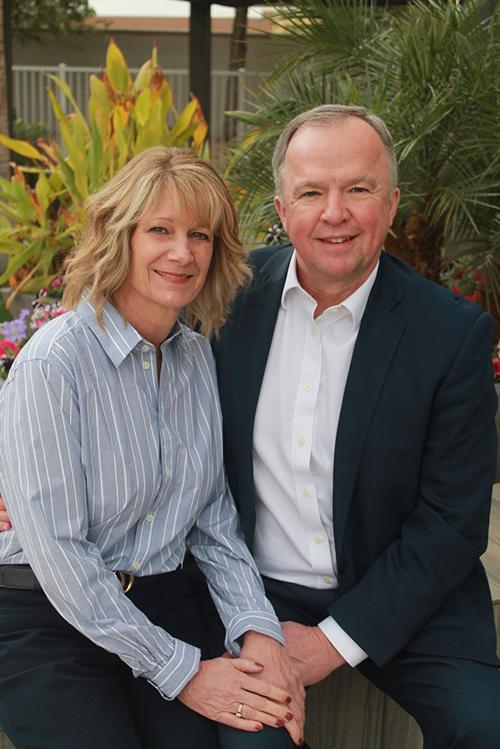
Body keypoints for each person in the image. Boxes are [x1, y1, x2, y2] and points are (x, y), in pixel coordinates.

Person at [210, 105, 500, 749]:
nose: (334, 213)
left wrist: (334, 643)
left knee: (485, 728)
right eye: (311, 192)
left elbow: (452, 522)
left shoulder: (451, 335)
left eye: (358, 189)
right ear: (282, 210)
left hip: (405, 592)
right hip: (253, 595)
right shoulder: (223, 300)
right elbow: (119, 358)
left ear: (391, 204)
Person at [0, 147, 305, 749]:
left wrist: (258, 630)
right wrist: (185, 671)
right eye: (159, 230)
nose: (182, 252)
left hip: (160, 599)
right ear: (119, 237)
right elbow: (60, 553)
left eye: (199, 234)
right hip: (49, 616)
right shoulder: (54, 362)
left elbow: (213, 519)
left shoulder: (194, 358)